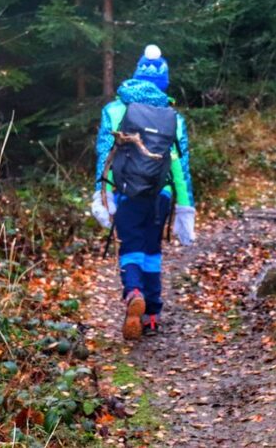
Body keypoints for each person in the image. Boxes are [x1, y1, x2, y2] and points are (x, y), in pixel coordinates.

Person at [90, 44, 196, 340]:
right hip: (159, 194)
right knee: (152, 248)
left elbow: (104, 154)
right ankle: (151, 315)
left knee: (131, 246)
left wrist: (103, 196)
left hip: (126, 193)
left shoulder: (114, 110)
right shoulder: (173, 118)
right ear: (164, 83)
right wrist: (186, 210)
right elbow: (180, 167)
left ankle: (133, 291)